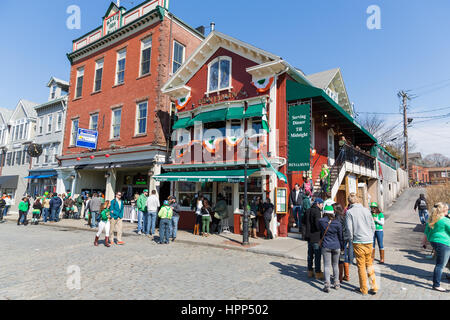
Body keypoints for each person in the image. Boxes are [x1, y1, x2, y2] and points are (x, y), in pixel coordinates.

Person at [346, 193, 377, 295]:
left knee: (361, 266)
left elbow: (349, 229)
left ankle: (364, 288)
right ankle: (374, 286)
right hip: (368, 240)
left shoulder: (349, 212)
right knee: (369, 264)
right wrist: (370, 236)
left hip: (358, 241)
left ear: (349, 202)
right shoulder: (366, 210)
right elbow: (373, 226)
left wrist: (351, 240)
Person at [421, 202, 450, 292]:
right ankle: (436, 285)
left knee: (443, 262)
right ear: (443, 210)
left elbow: (426, 231)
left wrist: (424, 242)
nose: (448, 210)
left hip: (434, 242)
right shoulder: (445, 220)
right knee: (440, 265)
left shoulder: (432, 219)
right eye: (447, 209)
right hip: (443, 243)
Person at [319, 204, 344, 292]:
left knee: (326, 265)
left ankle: (327, 284)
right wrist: (342, 246)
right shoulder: (337, 222)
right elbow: (341, 236)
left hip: (326, 245)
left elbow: (320, 232)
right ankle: (336, 283)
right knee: (335, 265)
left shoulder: (321, 221)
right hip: (336, 245)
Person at [302, 198, 324, 279]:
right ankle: (318, 272)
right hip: (316, 236)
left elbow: (303, 222)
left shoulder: (308, 210)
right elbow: (317, 225)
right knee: (317, 256)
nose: (322, 206)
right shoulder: (317, 212)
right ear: (318, 203)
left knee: (310, 255)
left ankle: (310, 271)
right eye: (321, 204)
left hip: (309, 236)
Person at [335, 203, 351, 283]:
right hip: (344, 239)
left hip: (340, 240)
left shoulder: (337, 218)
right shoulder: (344, 217)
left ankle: (340, 277)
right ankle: (346, 275)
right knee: (344, 256)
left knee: (340, 258)